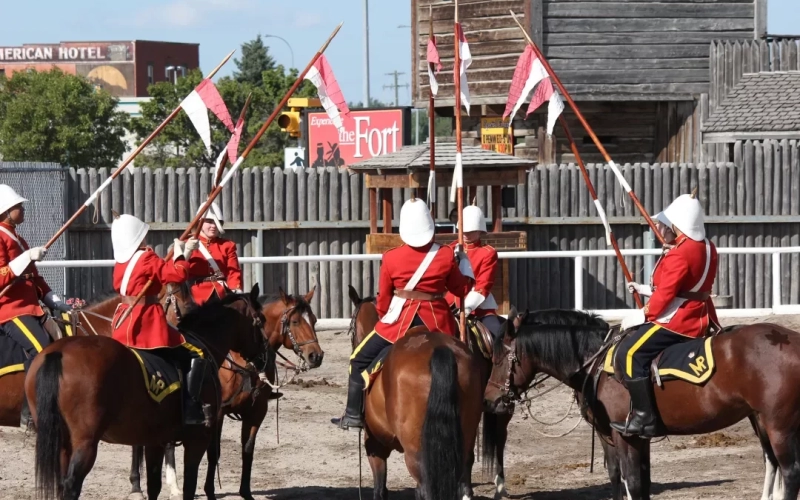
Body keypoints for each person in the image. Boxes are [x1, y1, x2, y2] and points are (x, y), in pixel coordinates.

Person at [331, 198, 475, 430]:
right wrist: (465, 265)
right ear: (430, 225)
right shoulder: (446, 255)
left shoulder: (391, 257)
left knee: (357, 359)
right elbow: (461, 290)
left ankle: (353, 415)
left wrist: (384, 315)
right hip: (438, 323)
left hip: (399, 323)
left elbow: (384, 301)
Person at [611, 194, 720, 438]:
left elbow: (666, 297)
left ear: (676, 227)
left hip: (679, 320)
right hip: (702, 315)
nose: (660, 228)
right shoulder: (708, 247)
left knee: (630, 352)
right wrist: (642, 288)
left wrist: (642, 314)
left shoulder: (678, 254)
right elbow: (688, 286)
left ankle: (644, 418)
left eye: (665, 224)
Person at [110, 213, 211, 426]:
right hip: (145, 321)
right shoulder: (146, 257)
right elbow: (176, 276)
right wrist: (183, 255)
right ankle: (191, 407)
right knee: (196, 353)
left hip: (123, 319)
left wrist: (179, 252)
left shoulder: (122, 261)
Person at [0, 184, 71, 426]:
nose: (22, 209)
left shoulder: (20, 239)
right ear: (6, 211)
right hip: (10, 309)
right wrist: (25, 259)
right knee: (42, 350)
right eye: (18, 207)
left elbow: (35, 278)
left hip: (32, 306)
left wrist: (53, 299)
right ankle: (29, 410)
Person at [445, 204, 503, 340]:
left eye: (470, 231)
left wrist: (467, 307)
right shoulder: (449, 248)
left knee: (498, 338)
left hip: (478, 307)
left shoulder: (488, 253)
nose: (465, 234)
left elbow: (483, 284)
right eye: (463, 230)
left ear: (480, 231)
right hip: (448, 303)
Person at [186, 202, 242, 305]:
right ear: (200, 223)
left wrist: (235, 290)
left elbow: (233, 272)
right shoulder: (188, 244)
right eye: (209, 221)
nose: (214, 226)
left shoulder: (227, 245)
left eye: (217, 222)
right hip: (194, 295)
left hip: (221, 294)